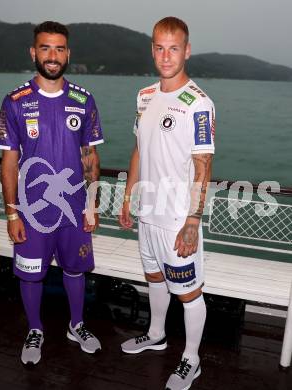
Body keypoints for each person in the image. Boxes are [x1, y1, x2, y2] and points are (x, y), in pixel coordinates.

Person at [0, 21, 104, 365]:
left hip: (73, 208)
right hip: (32, 208)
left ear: (68, 53)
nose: (52, 56)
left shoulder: (83, 100)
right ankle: (35, 329)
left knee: (75, 268)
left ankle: (76, 323)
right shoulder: (15, 101)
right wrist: (12, 213)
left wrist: (92, 204)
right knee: (32, 272)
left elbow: (90, 156)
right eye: (45, 48)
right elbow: (10, 161)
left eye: (59, 49)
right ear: (33, 52)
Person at [119, 16, 215, 390]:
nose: (166, 55)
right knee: (154, 278)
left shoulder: (199, 103)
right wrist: (128, 196)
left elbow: (203, 165)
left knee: (189, 293)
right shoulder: (144, 96)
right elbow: (139, 151)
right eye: (159, 47)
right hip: (147, 212)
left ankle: (192, 359)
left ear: (187, 51)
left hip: (177, 218)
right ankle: (156, 334)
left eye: (174, 48)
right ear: (152, 50)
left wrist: (193, 219)